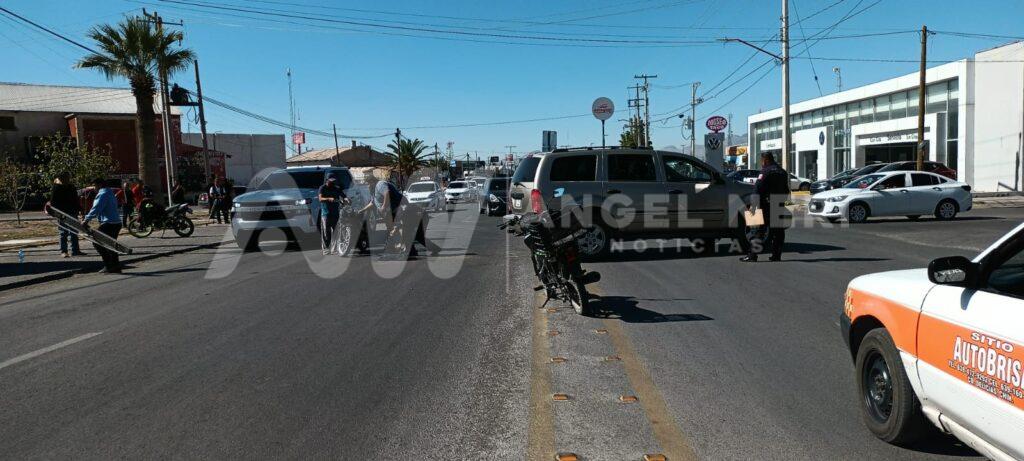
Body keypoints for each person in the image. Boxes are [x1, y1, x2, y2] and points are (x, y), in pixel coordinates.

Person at [741, 152, 791, 262]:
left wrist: (753, 206)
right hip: (778, 204)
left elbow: (758, 189)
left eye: (762, 161)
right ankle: (776, 255)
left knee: (758, 230)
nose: (762, 163)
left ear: (766, 160)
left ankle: (752, 255)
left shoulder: (765, 171)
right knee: (778, 231)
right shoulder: (782, 172)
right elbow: (786, 190)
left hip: (765, 204)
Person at [82, 178, 123, 273]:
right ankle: (116, 266)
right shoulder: (110, 192)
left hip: (109, 223)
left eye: (94, 186)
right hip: (116, 222)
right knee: (111, 245)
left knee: (97, 242)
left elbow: (96, 208)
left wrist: (86, 220)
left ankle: (109, 265)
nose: (94, 188)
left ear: (99, 185)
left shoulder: (102, 194)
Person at [46, 172, 83, 258]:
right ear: (61, 179)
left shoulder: (71, 187)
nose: (67, 179)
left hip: (72, 212)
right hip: (62, 213)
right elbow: (53, 202)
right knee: (63, 232)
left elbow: (75, 200)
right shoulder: (56, 188)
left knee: (74, 231)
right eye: (65, 178)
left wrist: (80, 209)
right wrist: (56, 213)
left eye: (68, 177)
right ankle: (64, 251)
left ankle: (75, 250)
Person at [317, 174, 349, 255]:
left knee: (336, 231)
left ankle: (334, 249)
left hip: (335, 212)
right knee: (326, 232)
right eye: (331, 181)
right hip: (326, 213)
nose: (332, 182)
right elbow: (320, 199)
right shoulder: (322, 188)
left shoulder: (336, 188)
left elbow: (343, 195)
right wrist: (328, 198)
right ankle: (326, 249)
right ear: (327, 180)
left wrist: (346, 199)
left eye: (333, 181)